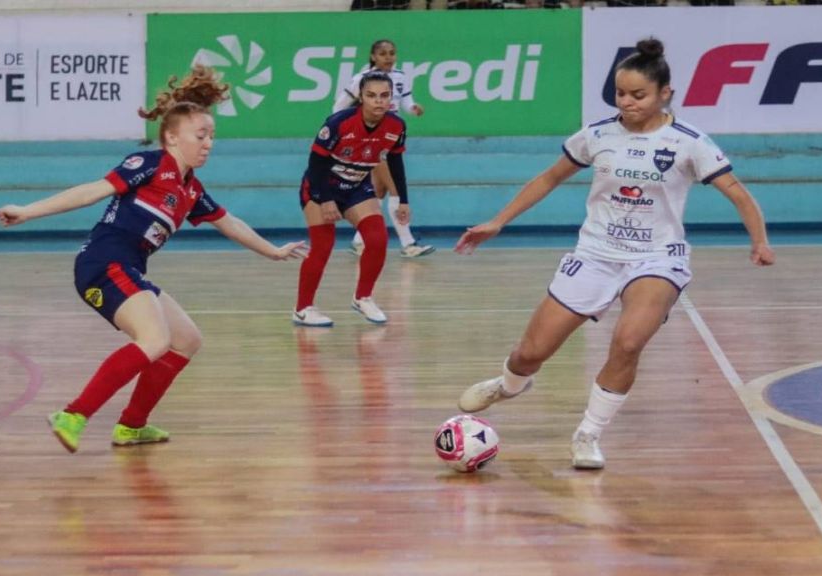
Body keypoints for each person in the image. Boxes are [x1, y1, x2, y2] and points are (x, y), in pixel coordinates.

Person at [454, 38, 775, 469]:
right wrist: (498, 220)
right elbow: (550, 178)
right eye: (620, 93)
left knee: (627, 343)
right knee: (532, 352)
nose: (626, 102)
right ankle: (510, 384)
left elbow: (736, 192)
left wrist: (759, 240)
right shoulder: (598, 135)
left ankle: (588, 433)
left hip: (657, 258)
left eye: (638, 95)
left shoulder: (689, 142)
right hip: (596, 252)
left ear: (666, 94)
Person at [0, 66, 308, 453]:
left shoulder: (191, 188)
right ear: (172, 137)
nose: (209, 143)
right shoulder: (149, 164)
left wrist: (273, 250)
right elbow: (92, 190)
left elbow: (229, 223)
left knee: (185, 340)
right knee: (155, 339)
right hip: (103, 264)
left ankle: (132, 426)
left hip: (128, 269)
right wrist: (27, 211)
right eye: (201, 135)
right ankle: (73, 415)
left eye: (212, 135)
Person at [294, 71, 410, 328]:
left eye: (384, 96)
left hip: (356, 187)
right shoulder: (338, 123)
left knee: (378, 239)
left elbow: (395, 160)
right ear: (360, 97)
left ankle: (363, 298)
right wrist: (325, 200)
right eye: (371, 96)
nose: (379, 101)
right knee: (323, 246)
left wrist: (402, 198)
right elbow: (316, 164)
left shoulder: (396, 126)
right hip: (321, 185)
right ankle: (302, 309)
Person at [333, 39, 433, 259]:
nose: (388, 57)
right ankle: (408, 244)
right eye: (382, 53)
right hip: (372, 139)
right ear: (372, 57)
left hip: (391, 135)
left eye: (391, 53)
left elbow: (406, 101)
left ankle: (359, 241)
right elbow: (338, 107)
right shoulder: (361, 79)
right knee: (396, 188)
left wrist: (413, 108)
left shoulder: (400, 77)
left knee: (380, 191)